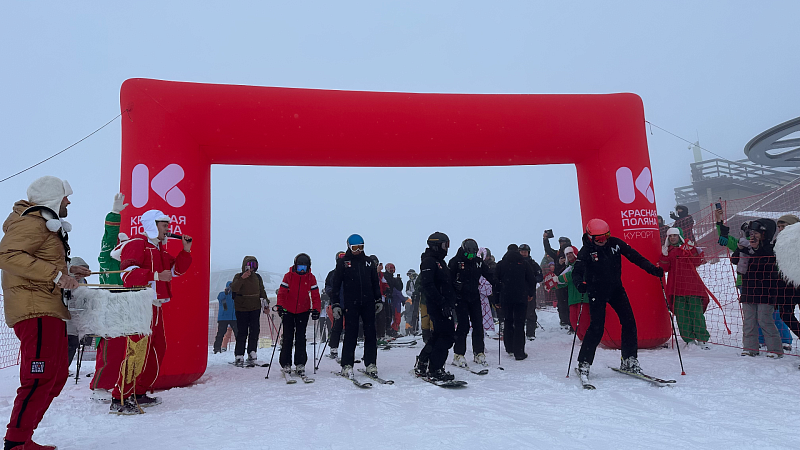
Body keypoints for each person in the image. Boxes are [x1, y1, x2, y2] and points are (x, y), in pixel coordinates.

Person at [0, 176, 86, 450]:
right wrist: (58, 276)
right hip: (34, 309)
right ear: (52, 198)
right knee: (39, 378)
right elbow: (7, 255)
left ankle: (24, 438)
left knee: (56, 375)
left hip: (49, 308)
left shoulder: (44, 224)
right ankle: (14, 443)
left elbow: (41, 261)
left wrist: (70, 271)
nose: (68, 202)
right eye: (65, 197)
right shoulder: (31, 221)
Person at [113, 210, 192, 414]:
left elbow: (176, 271)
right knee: (137, 350)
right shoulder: (137, 244)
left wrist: (186, 250)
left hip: (155, 305)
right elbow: (127, 276)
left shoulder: (159, 249)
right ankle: (120, 398)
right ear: (153, 225)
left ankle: (139, 392)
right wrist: (155, 275)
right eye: (164, 225)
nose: (168, 229)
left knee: (157, 348)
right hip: (140, 305)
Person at [572, 218, 664, 379]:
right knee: (597, 328)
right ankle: (583, 364)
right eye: (599, 238)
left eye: (606, 235)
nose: (604, 240)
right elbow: (577, 271)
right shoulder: (586, 251)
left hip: (616, 289)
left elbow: (635, 257)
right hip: (596, 292)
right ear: (590, 237)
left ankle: (629, 359)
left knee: (629, 322)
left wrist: (652, 269)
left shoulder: (614, 243)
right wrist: (580, 283)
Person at [90, 193, 129, 403]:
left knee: (122, 351)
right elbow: (107, 238)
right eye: (120, 246)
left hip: (125, 313)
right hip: (108, 312)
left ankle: (117, 385)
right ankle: (99, 387)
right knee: (108, 352)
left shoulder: (129, 267)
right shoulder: (107, 260)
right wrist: (115, 214)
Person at [330, 234, 382, 378]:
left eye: (361, 247)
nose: (358, 250)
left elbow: (374, 283)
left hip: (368, 303)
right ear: (349, 247)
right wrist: (336, 304)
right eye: (355, 248)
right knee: (351, 334)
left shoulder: (368, 262)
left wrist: (378, 300)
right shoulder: (343, 263)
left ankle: (371, 363)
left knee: (370, 333)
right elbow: (336, 285)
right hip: (351, 303)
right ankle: (347, 364)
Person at [731, 219, 783, 358]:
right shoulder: (748, 246)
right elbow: (734, 260)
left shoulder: (771, 247)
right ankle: (749, 348)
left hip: (766, 289)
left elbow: (766, 260)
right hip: (749, 288)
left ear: (765, 233)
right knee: (749, 320)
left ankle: (775, 349)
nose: (753, 235)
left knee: (765, 319)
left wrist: (755, 248)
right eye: (752, 232)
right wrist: (740, 249)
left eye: (757, 233)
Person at [414, 232, 457, 381]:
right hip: (437, 305)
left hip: (444, 304)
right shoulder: (429, 262)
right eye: (445, 245)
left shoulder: (441, 262)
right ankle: (435, 368)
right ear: (436, 246)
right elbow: (428, 285)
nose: (446, 249)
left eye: (448, 245)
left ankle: (423, 361)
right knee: (447, 336)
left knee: (439, 335)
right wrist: (441, 302)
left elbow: (445, 283)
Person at [658, 228, 710, 348]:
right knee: (682, 316)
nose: (672, 238)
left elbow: (697, 261)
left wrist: (693, 250)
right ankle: (689, 340)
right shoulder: (668, 251)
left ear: (679, 236)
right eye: (670, 236)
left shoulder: (687, 248)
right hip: (676, 288)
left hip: (692, 287)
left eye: (675, 235)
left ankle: (702, 338)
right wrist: (664, 256)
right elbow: (664, 268)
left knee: (696, 314)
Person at [448, 238, 495, 368]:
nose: (471, 257)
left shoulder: (478, 262)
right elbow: (447, 280)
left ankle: (478, 352)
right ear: (464, 251)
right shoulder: (455, 262)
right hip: (460, 299)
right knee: (463, 326)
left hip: (474, 297)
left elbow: (490, 275)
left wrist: (498, 283)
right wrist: (454, 288)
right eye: (469, 254)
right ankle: (458, 354)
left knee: (478, 325)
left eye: (473, 254)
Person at [276, 253, 321, 376]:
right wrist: (280, 306)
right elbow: (282, 293)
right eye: (300, 267)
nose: (302, 270)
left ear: (308, 267)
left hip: (303, 311)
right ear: (295, 266)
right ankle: (286, 363)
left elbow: (316, 295)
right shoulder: (288, 276)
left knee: (301, 337)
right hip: (288, 311)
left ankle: (300, 363)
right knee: (288, 337)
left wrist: (316, 309)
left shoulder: (311, 278)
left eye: (304, 268)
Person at [495, 244, 537, 360]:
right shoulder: (523, 263)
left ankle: (509, 348)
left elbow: (496, 283)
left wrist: (497, 300)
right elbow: (532, 280)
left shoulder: (501, 264)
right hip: (520, 297)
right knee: (519, 323)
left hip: (506, 297)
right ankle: (519, 353)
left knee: (508, 321)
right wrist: (530, 294)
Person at [231, 256, 268, 367]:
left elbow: (262, 291)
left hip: (255, 307)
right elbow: (234, 288)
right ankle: (239, 355)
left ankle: (252, 352)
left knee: (255, 330)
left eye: (254, 265)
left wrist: (266, 304)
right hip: (241, 308)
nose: (252, 268)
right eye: (250, 265)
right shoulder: (238, 276)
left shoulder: (257, 277)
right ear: (245, 265)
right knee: (242, 332)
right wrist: (243, 278)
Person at [555, 246, 590, 340]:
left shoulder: (580, 264)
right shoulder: (568, 267)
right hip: (572, 298)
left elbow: (571, 276)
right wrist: (553, 285)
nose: (569, 255)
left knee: (583, 319)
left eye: (570, 253)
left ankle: (586, 337)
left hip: (582, 296)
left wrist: (559, 279)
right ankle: (581, 337)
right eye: (567, 254)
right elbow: (565, 282)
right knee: (573, 320)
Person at [775, 215, 800, 341]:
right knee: (785, 314)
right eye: (779, 227)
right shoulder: (777, 243)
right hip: (786, 285)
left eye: (783, 226)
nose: (780, 229)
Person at [543, 233, 572, 330]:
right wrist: (545, 239)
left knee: (570, 303)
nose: (562, 244)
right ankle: (564, 321)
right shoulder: (557, 254)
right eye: (560, 242)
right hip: (559, 282)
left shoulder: (573, 253)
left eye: (563, 242)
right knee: (561, 303)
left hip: (570, 282)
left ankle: (571, 322)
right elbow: (548, 250)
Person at [518, 244, 543, 341]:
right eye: (522, 251)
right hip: (518, 292)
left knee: (530, 313)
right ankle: (519, 333)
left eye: (525, 252)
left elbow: (540, 276)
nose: (524, 253)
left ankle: (530, 333)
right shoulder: (515, 263)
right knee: (518, 313)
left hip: (530, 292)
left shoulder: (533, 264)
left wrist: (532, 280)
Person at [324, 251, 346, 359]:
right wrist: (331, 292)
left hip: (350, 303)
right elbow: (327, 286)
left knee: (350, 327)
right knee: (337, 326)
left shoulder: (350, 272)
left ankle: (348, 349)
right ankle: (333, 348)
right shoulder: (332, 274)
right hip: (337, 303)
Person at [213, 281, 238, 354]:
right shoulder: (222, 294)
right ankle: (217, 348)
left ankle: (239, 348)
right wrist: (226, 292)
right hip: (224, 318)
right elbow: (220, 298)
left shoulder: (235, 295)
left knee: (238, 334)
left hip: (234, 317)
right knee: (220, 333)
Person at [476, 248, 496, 335]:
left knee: (492, 306)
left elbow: (493, 276)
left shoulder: (493, 265)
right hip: (480, 291)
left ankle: (494, 319)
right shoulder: (478, 264)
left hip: (490, 290)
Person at [383, 263, 404, 337]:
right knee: (387, 314)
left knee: (390, 314)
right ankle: (385, 331)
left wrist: (399, 281)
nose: (392, 271)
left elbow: (399, 288)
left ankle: (389, 330)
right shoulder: (384, 276)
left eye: (393, 269)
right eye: (390, 269)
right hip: (385, 298)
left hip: (391, 298)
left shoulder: (393, 279)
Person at [404, 269, 420, 335]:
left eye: (410, 274)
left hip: (420, 296)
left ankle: (419, 328)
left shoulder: (418, 280)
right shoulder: (409, 282)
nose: (409, 276)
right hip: (414, 298)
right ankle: (415, 328)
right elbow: (407, 291)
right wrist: (412, 293)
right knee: (414, 312)